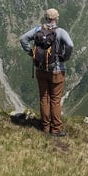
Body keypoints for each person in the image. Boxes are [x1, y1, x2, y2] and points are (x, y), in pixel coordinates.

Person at [19, 8, 74, 137]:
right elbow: (70, 45)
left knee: (44, 98)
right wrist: (65, 57)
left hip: (40, 70)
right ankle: (56, 129)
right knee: (55, 100)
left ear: (46, 18)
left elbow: (23, 39)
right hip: (57, 70)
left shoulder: (38, 30)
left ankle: (45, 127)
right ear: (56, 18)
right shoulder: (60, 32)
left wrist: (32, 53)